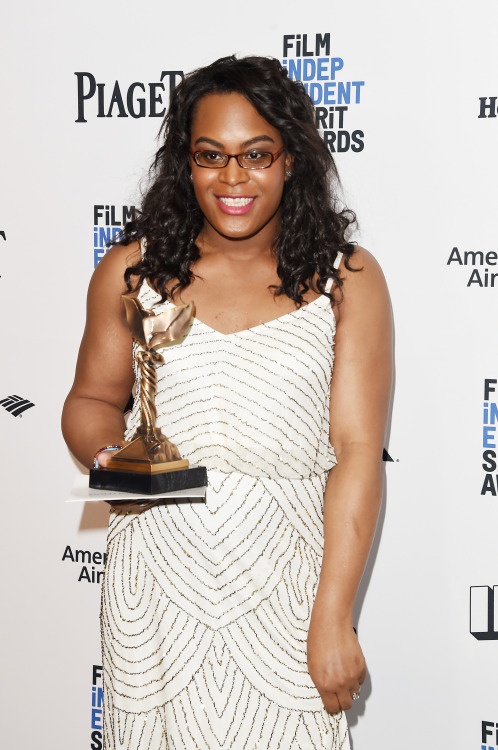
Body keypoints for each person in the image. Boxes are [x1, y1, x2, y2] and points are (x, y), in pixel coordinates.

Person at [62, 55, 392, 750]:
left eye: (256, 155)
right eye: (211, 156)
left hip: (287, 584)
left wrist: (335, 615)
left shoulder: (346, 281)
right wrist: (115, 459)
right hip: (157, 583)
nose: (233, 178)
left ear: (292, 160)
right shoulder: (133, 269)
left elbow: (359, 453)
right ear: (185, 163)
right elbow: (92, 397)